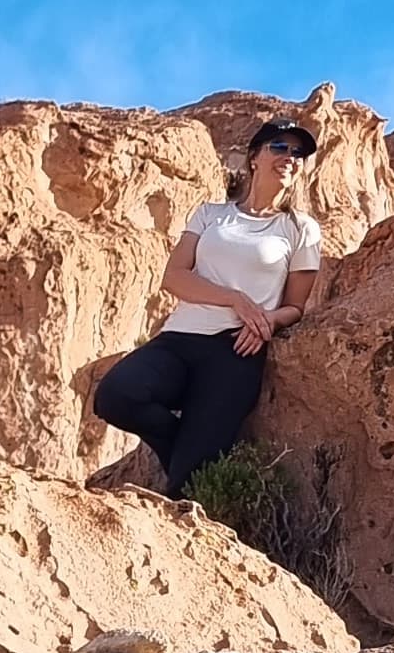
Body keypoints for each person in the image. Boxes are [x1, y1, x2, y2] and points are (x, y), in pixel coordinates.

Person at [90, 121, 323, 495]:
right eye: (280, 147)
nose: (290, 158)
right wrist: (235, 298)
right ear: (254, 157)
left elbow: (296, 306)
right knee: (116, 396)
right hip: (180, 339)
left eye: (298, 153)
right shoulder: (211, 215)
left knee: (187, 484)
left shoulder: (301, 228)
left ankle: (190, 455)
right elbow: (174, 277)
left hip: (236, 351)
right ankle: (186, 442)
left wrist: (266, 320)